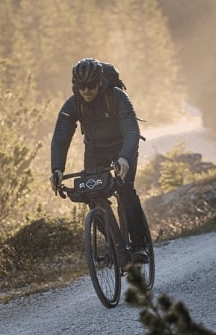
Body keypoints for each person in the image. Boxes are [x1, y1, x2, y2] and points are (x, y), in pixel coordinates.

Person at [50, 58, 149, 262]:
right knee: (93, 195)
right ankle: (116, 244)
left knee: (126, 190)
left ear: (100, 82)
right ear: (75, 86)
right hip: (95, 150)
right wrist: (57, 169)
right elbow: (61, 137)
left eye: (91, 85)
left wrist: (125, 158)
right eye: (81, 86)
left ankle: (140, 245)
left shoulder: (117, 97)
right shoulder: (73, 104)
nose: (86, 90)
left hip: (123, 147)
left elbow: (131, 130)